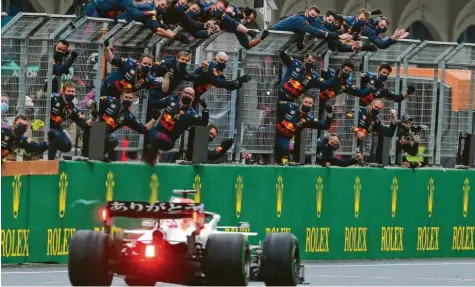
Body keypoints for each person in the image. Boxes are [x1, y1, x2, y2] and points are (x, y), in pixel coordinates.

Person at [144, 87, 209, 165]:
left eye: (190, 95)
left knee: (158, 137)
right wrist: (147, 92)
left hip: (168, 141)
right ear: (181, 94)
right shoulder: (172, 100)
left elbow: (204, 123)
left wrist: (205, 108)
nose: (187, 95)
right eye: (186, 93)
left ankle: (155, 157)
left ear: (193, 98)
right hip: (156, 133)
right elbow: (155, 103)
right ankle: (150, 158)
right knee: (145, 130)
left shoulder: (191, 114)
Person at [98, 92, 156, 161]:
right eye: (126, 97)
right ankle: (94, 155)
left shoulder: (128, 116)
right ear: (121, 97)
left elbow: (143, 129)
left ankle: (98, 156)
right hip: (94, 129)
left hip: (105, 137)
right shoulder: (110, 101)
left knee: (113, 142)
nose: (128, 100)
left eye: (130, 98)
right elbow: (93, 101)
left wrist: (154, 118)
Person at [275, 95, 333, 164]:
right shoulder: (290, 106)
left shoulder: (309, 119)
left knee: (284, 151)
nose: (308, 104)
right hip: (272, 131)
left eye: (310, 103)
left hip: (284, 138)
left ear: (312, 105)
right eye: (306, 102)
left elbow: (325, 126)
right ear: (302, 101)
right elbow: (274, 105)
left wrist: (329, 113)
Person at [147, 51, 201, 121]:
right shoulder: (166, 64)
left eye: (187, 60)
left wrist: (202, 69)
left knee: (154, 119)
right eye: (182, 59)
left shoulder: (182, 72)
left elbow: (194, 77)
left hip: (162, 100)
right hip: (151, 94)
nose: (184, 62)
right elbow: (151, 68)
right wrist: (155, 80)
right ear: (177, 59)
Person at [48, 82, 93, 160]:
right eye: (68, 91)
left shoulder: (71, 107)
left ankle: (85, 154)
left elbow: (82, 123)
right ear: (63, 91)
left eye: (73, 91)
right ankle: (50, 159)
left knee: (68, 146)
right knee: (55, 135)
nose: (71, 93)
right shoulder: (53, 99)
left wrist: (92, 119)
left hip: (56, 128)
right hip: (45, 127)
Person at [201, 0, 269, 49]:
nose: (247, 20)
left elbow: (248, 45)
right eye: (248, 17)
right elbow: (228, 9)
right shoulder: (234, 10)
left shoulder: (240, 30)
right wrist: (235, 14)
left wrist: (261, 38)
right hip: (205, 15)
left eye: (250, 20)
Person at [271, 6, 340, 44]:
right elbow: (312, 30)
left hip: (279, 39)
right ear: (307, 12)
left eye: (315, 17)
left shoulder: (307, 20)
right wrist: (327, 34)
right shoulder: (299, 19)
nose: (313, 17)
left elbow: (317, 28)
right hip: (272, 37)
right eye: (312, 14)